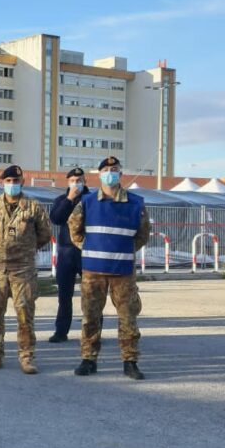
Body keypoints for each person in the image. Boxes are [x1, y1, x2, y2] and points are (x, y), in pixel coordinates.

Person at [68, 156, 151, 380]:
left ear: (121, 174)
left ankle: (130, 361)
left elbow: (143, 235)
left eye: (114, 169)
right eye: (106, 169)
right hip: (93, 271)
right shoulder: (87, 202)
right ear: (99, 174)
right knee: (91, 317)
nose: (110, 172)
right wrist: (91, 247)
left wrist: (122, 250)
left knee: (128, 318)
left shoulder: (136, 203)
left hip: (123, 271)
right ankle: (88, 359)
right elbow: (74, 230)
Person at [0, 165, 53, 374]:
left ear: (22, 182)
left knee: (25, 314)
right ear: (2, 183)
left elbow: (44, 235)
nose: (12, 185)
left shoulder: (33, 208)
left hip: (23, 270)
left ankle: (26, 357)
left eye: (16, 181)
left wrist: (24, 249)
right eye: (8, 181)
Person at [49, 167, 88, 343]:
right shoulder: (61, 200)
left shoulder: (93, 200)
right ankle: (61, 331)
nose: (76, 183)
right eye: (73, 180)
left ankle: (92, 331)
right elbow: (56, 218)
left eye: (79, 180)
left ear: (85, 181)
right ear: (68, 182)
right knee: (64, 295)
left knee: (91, 295)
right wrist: (70, 199)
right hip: (66, 253)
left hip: (87, 252)